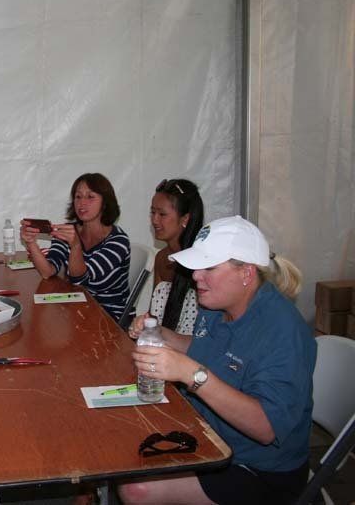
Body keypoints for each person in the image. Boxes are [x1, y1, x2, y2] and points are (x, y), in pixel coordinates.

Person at [121, 216, 316, 505]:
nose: (196, 276)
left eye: (209, 267)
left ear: (246, 273)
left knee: (136, 489)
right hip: (209, 436)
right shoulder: (217, 304)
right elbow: (207, 350)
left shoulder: (284, 333)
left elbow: (265, 428)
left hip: (258, 470)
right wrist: (162, 334)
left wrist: (192, 375)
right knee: (123, 439)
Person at [20, 173, 130, 320]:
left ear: (105, 203)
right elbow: (48, 271)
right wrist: (31, 243)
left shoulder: (118, 241)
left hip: (108, 317)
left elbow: (81, 280)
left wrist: (76, 246)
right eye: (78, 197)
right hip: (77, 310)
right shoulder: (69, 231)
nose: (82, 203)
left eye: (90, 197)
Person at [145, 178, 204, 334]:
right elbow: (153, 317)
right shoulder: (161, 258)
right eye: (152, 212)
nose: (154, 220)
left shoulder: (202, 264)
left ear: (185, 219)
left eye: (162, 214)